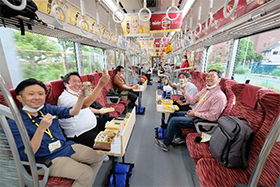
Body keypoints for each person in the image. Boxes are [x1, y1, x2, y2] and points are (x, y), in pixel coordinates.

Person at [8, 78, 104, 187]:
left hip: (64, 147)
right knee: (86, 173)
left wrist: (81, 97)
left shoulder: (46, 109)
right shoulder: (14, 123)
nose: (37, 97)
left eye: (41, 94)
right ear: (19, 98)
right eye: (31, 94)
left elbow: (73, 112)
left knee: (98, 157)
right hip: (46, 157)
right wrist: (41, 129)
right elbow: (27, 155)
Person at [155, 69, 227, 151]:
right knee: (174, 113)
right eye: (208, 76)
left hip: (201, 121)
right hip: (194, 114)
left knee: (174, 120)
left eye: (212, 76)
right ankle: (178, 137)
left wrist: (195, 114)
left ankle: (165, 143)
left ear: (219, 80)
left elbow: (213, 116)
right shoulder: (206, 90)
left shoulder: (219, 96)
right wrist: (184, 93)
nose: (209, 78)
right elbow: (193, 100)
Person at [58, 72, 111, 153]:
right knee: (109, 143)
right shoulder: (64, 98)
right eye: (74, 81)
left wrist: (98, 111)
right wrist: (100, 85)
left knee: (115, 122)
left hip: (94, 124)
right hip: (81, 133)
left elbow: (86, 107)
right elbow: (85, 104)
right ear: (65, 84)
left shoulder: (77, 94)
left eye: (79, 81)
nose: (78, 84)